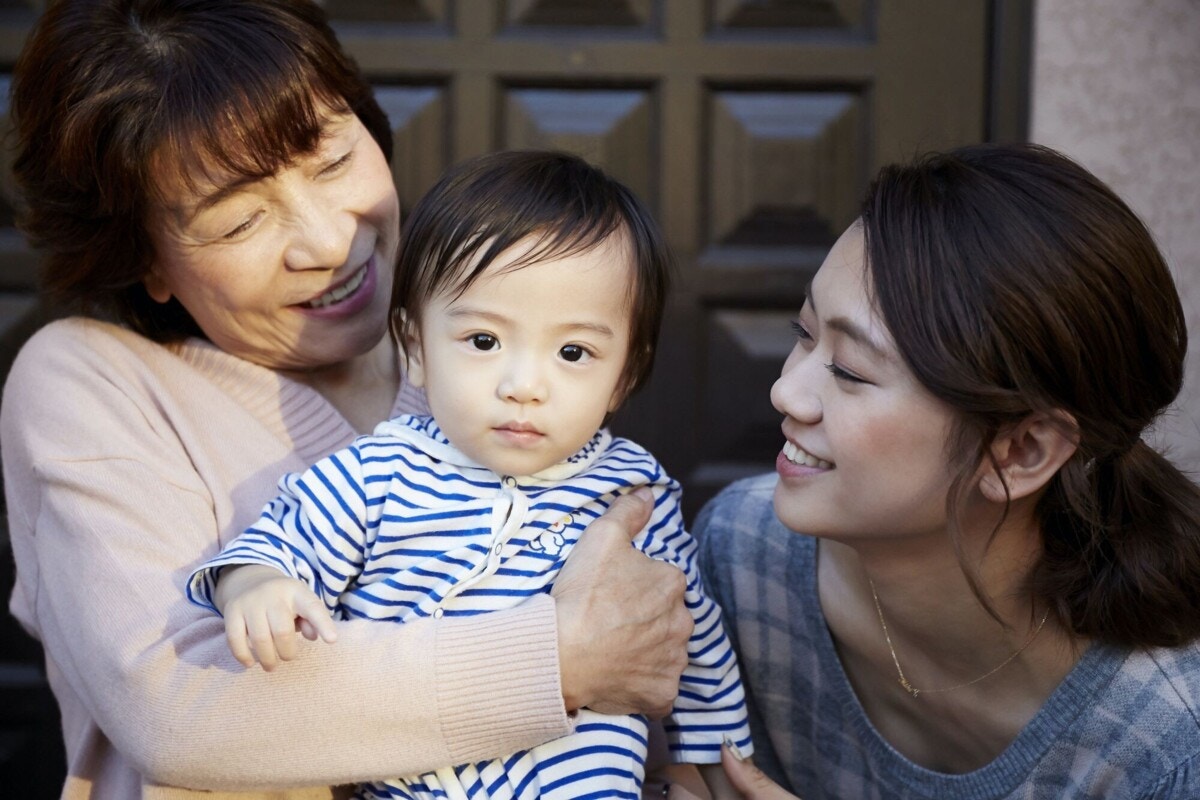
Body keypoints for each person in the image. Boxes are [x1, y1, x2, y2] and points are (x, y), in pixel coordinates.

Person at [0, 2, 692, 798]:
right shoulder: (93, 383)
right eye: (241, 219)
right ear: (144, 259)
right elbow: (180, 706)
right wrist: (560, 658)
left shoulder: (483, 335)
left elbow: (645, 644)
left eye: (330, 161)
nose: (328, 242)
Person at [186, 149, 752, 800]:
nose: (523, 386)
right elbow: (284, 544)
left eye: (573, 352)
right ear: (417, 348)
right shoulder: (379, 473)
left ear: (623, 374)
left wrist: (706, 771)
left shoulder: (632, 494)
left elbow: (686, 629)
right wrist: (256, 586)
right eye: (484, 341)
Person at [681, 143, 1200, 800]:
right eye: (804, 332)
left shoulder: (1167, 738)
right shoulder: (742, 552)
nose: (787, 391)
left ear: (1022, 451)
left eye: (850, 371)